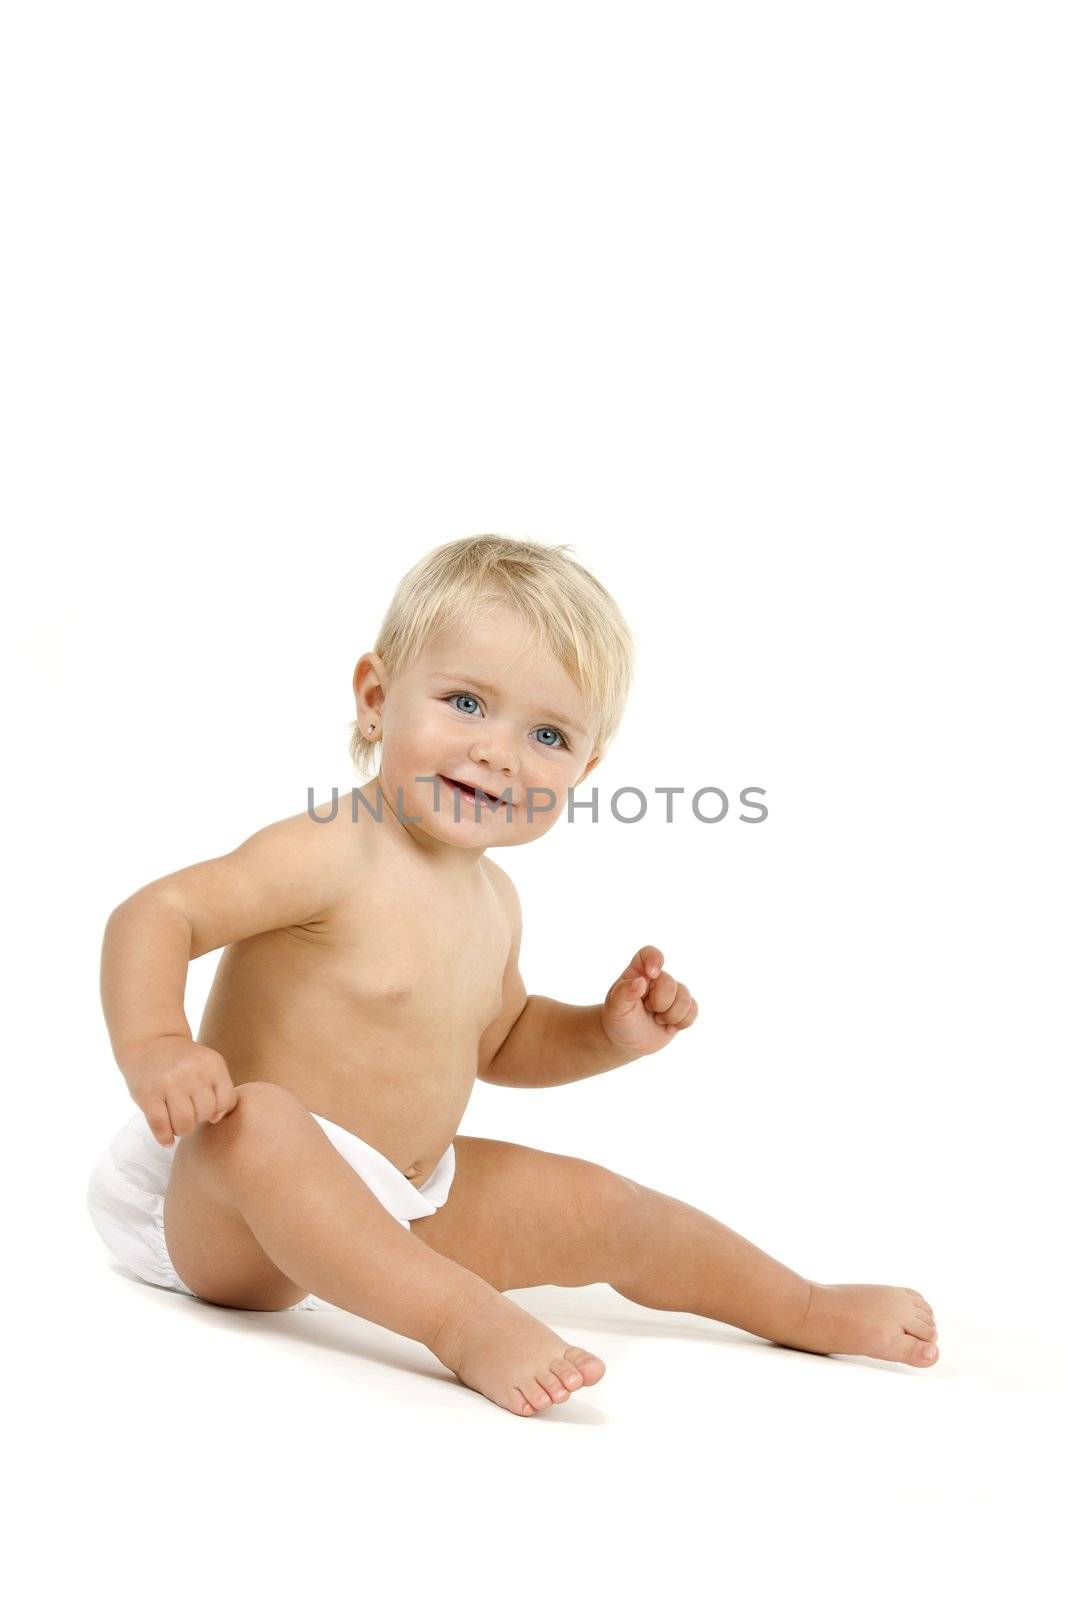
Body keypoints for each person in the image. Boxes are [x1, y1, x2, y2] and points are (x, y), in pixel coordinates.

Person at [86, 532, 939, 1418]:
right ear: (376, 699)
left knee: (608, 1208)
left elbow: (503, 1041)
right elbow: (157, 913)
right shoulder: (327, 851)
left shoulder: (493, 898)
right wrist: (157, 1047)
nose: (499, 752)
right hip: (230, 1219)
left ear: (584, 768)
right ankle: (461, 1322)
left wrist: (604, 1034)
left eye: (546, 733)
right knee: (260, 1120)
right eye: (464, 702)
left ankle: (797, 1305)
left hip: (401, 1204)